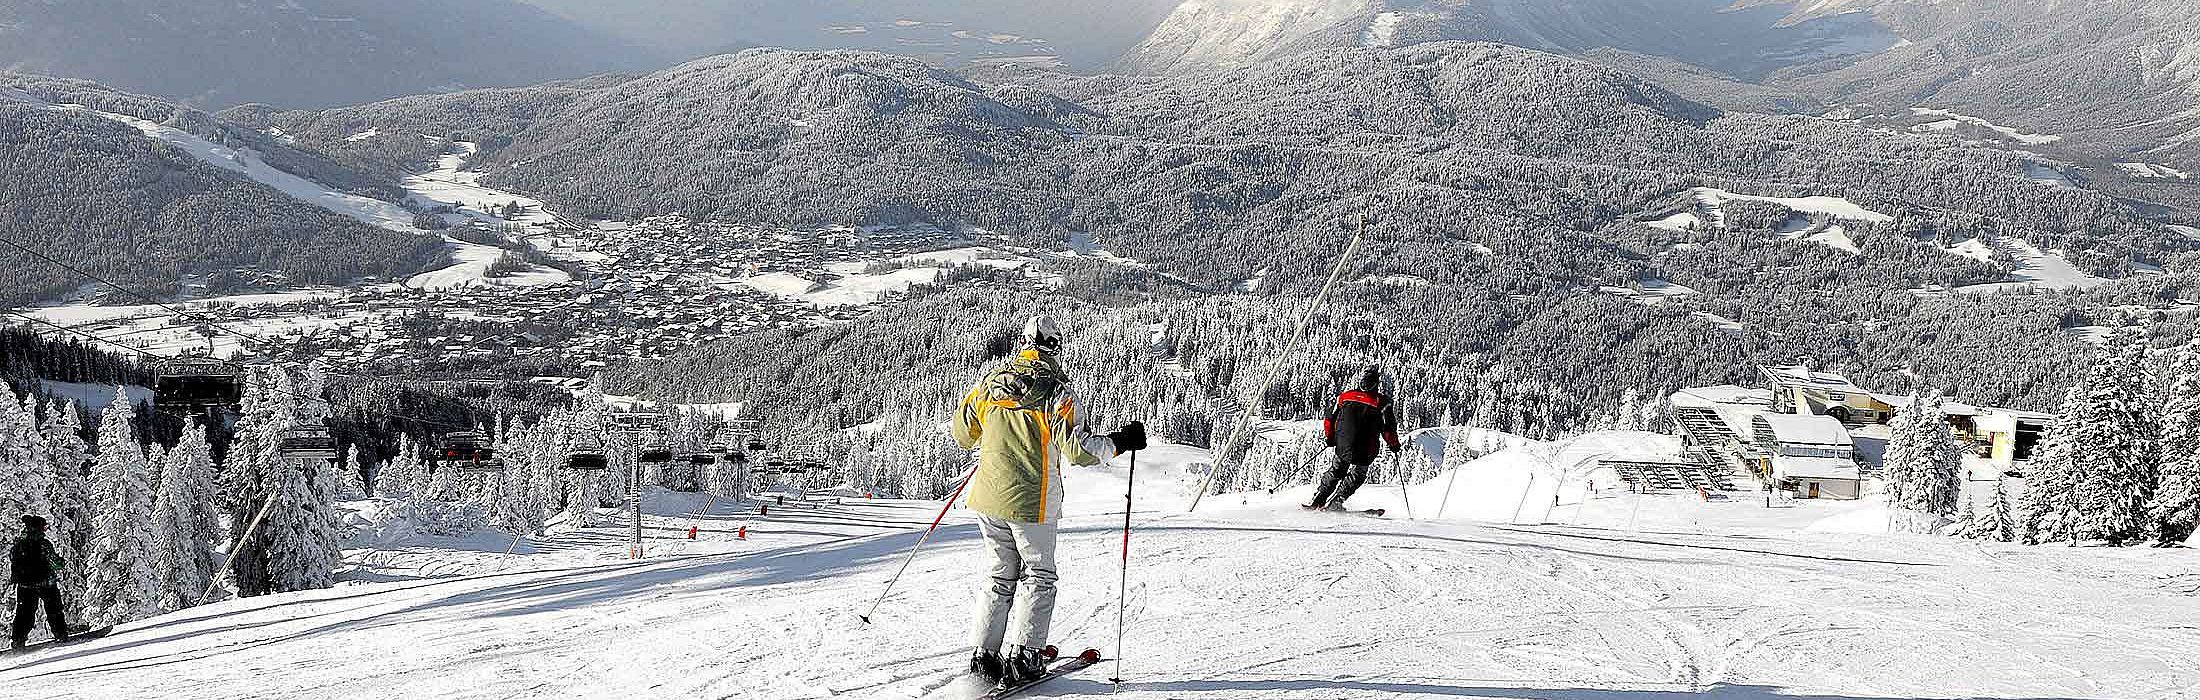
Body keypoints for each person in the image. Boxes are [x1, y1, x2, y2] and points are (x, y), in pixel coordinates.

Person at [953, 315, 1146, 688]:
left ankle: (984, 653)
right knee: (1039, 577)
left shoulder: (990, 385)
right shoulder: (1057, 394)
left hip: (987, 497)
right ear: (1054, 347)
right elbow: (1080, 451)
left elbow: (963, 433)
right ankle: (1025, 656)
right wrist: (1121, 441)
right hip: (1032, 502)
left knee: (999, 575)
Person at [1307, 365, 1401, 511]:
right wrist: (1394, 445)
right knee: (1357, 475)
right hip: (1365, 448)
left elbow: (1329, 419)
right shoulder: (1382, 402)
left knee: (1336, 470)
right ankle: (1337, 501)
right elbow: (1388, 428)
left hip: (1343, 444)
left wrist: (1330, 437)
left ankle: (1318, 498)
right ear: (1376, 383)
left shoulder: (1345, 396)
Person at [10, 515, 70, 650]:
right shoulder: (44, 544)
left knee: (24, 614)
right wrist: (61, 562)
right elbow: (55, 564)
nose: (45, 530)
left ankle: (17, 640)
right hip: (46, 583)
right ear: (38, 528)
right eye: (44, 527)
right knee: (54, 610)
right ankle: (61, 635)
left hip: (24, 585)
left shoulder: (18, 544)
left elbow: (13, 561)